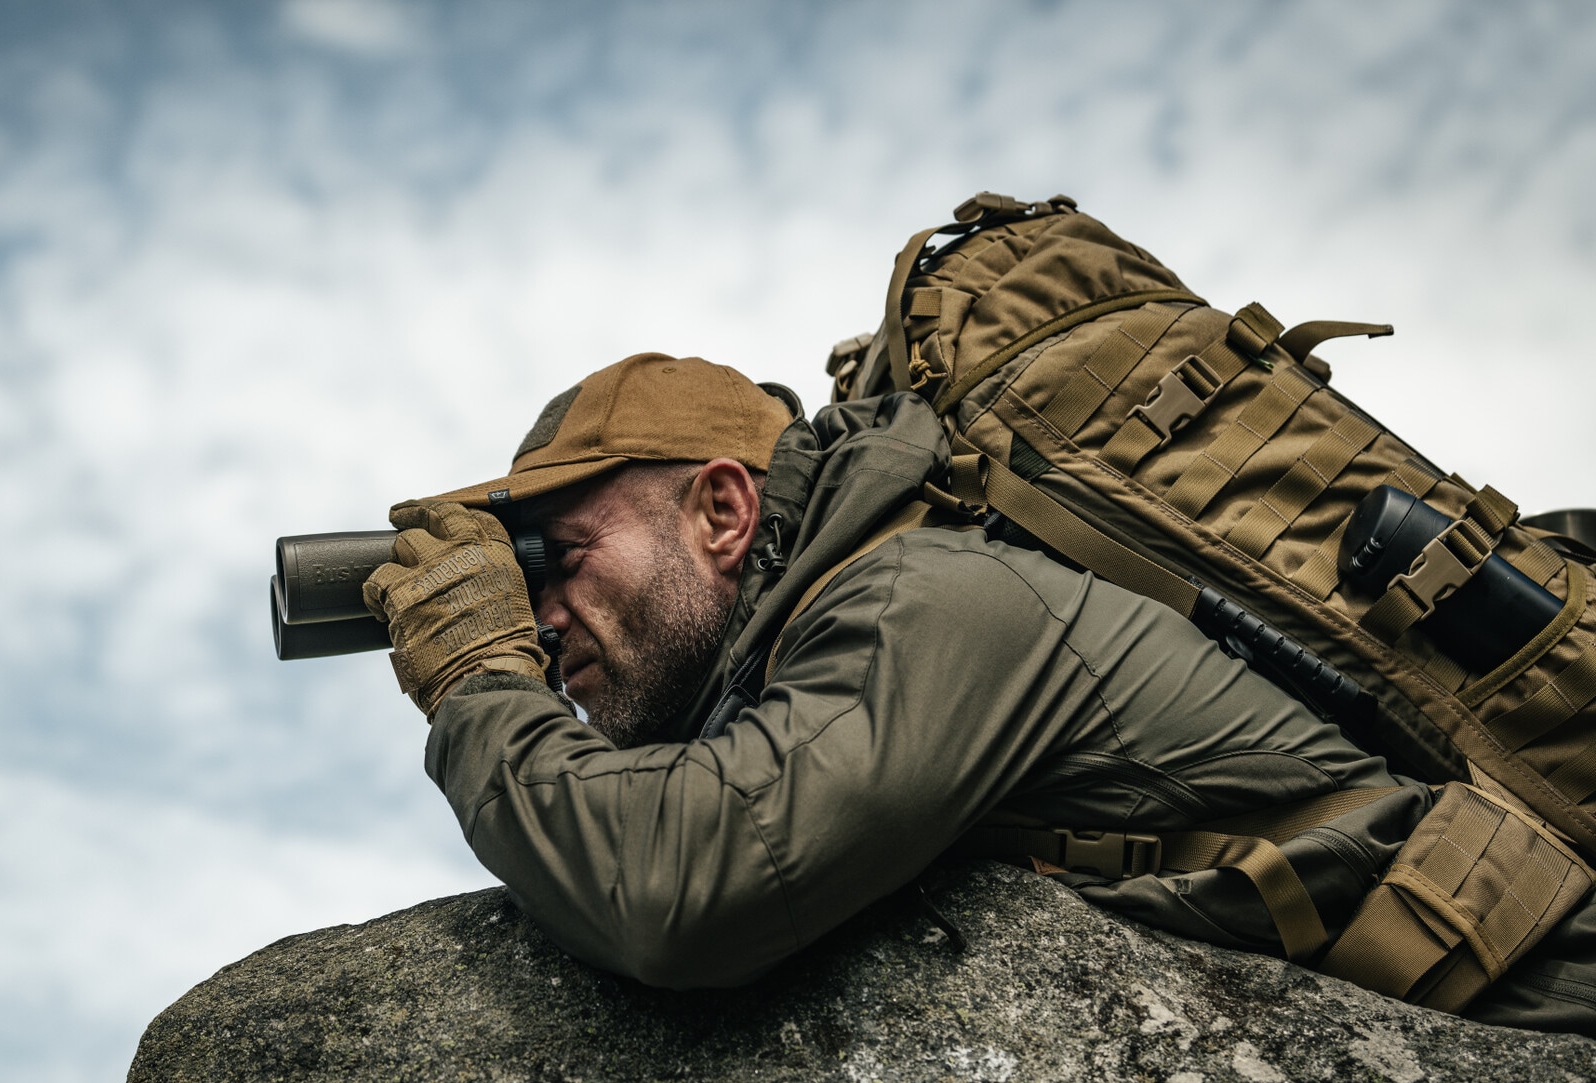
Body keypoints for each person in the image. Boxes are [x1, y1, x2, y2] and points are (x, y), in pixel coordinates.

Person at [361, 352, 1590, 1032]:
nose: (535, 610)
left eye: (556, 557)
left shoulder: (925, 596)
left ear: (725, 511)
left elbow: (687, 886)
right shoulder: (829, 640)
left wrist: (478, 678)